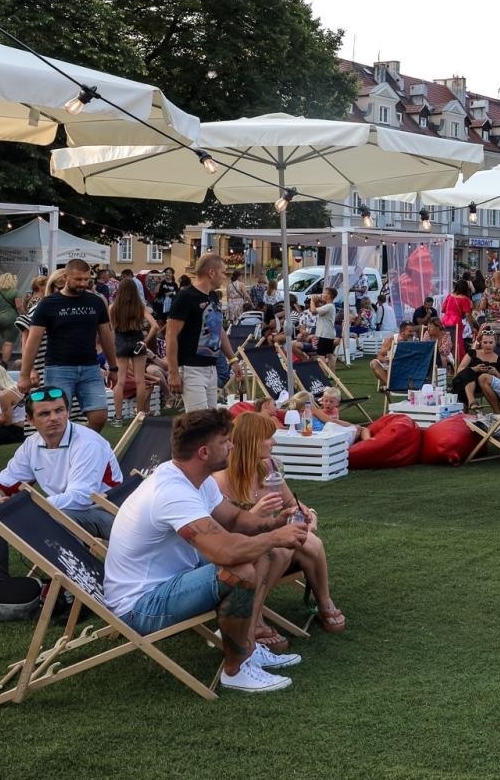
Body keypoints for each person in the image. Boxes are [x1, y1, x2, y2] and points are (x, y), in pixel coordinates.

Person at [104, 408, 310, 692]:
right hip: (140, 604)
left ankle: (248, 646)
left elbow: (235, 520)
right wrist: (276, 537)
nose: (232, 446)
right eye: (224, 442)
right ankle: (236, 669)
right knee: (239, 571)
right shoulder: (172, 492)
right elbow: (226, 553)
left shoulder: (195, 479)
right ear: (204, 452)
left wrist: (275, 523)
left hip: (174, 578)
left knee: (259, 553)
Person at [0, 387, 121, 607]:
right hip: (64, 509)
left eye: (59, 410)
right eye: (45, 413)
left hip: (108, 514)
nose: (54, 418)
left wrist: (30, 510)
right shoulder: (32, 444)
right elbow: (2, 482)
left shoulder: (87, 443)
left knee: (59, 516)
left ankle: (76, 595)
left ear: (68, 412)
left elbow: (81, 497)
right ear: (30, 420)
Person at [213, 411, 346, 633]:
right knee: (283, 549)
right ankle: (253, 617)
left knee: (310, 542)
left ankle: (324, 602)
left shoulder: (269, 467)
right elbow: (222, 534)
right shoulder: (219, 481)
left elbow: (290, 502)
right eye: (268, 437)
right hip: (242, 549)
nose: (274, 442)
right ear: (250, 442)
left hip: (271, 539)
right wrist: (255, 513)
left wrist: (307, 513)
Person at [20, 258, 117, 430]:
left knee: (99, 416)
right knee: (58, 418)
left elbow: (106, 336)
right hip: (58, 369)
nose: (83, 283)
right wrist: (25, 374)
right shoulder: (48, 304)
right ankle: (63, 445)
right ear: (65, 277)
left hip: (90, 368)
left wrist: (114, 367)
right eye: (78, 279)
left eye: (86, 279)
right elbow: (32, 341)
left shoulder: (95, 302)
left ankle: (81, 442)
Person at [165, 254, 244, 412]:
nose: (225, 277)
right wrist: (173, 372)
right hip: (191, 368)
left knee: (210, 419)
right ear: (211, 272)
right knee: (199, 420)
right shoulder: (186, 297)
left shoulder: (213, 296)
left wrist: (233, 359)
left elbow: (219, 330)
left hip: (211, 367)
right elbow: (171, 334)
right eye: (223, 272)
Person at [109, 275, 160, 423]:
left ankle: (118, 417)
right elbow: (155, 326)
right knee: (140, 381)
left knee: (120, 382)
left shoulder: (112, 308)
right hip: (138, 342)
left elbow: (111, 330)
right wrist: (145, 341)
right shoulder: (140, 307)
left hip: (120, 342)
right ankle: (140, 415)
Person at [451, 327, 500, 412]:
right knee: (468, 371)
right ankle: (471, 401)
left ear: (495, 343)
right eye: (485, 342)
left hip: (483, 385)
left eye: (491, 342)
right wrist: (475, 369)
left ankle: (467, 407)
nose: (488, 345)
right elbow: (460, 370)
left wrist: (496, 373)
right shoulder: (472, 353)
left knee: (467, 379)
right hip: (466, 381)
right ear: (481, 343)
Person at [371, 321, 416, 387]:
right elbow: (379, 355)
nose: (412, 334)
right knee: (374, 363)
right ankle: (390, 385)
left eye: (413, 331)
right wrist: (384, 360)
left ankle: (388, 385)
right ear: (402, 331)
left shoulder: (414, 340)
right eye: (410, 331)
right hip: (391, 364)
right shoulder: (392, 339)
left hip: (407, 366)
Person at [0, 272, 22, 367]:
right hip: (11, 319)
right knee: (9, 342)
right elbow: (19, 307)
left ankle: (3, 361)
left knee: (5, 341)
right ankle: (4, 363)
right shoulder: (15, 292)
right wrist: (24, 316)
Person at [312, 289, 339, 361]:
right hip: (329, 334)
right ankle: (331, 369)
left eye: (324, 293)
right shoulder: (330, 306)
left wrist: (312, 300)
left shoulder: (328, 306)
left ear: (329, 296)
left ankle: (323, 369)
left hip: (324, 334)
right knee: (330, 354)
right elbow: (317, 309)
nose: (321, 295)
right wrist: (316, 302)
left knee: (320, 355)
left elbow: (313, 311)